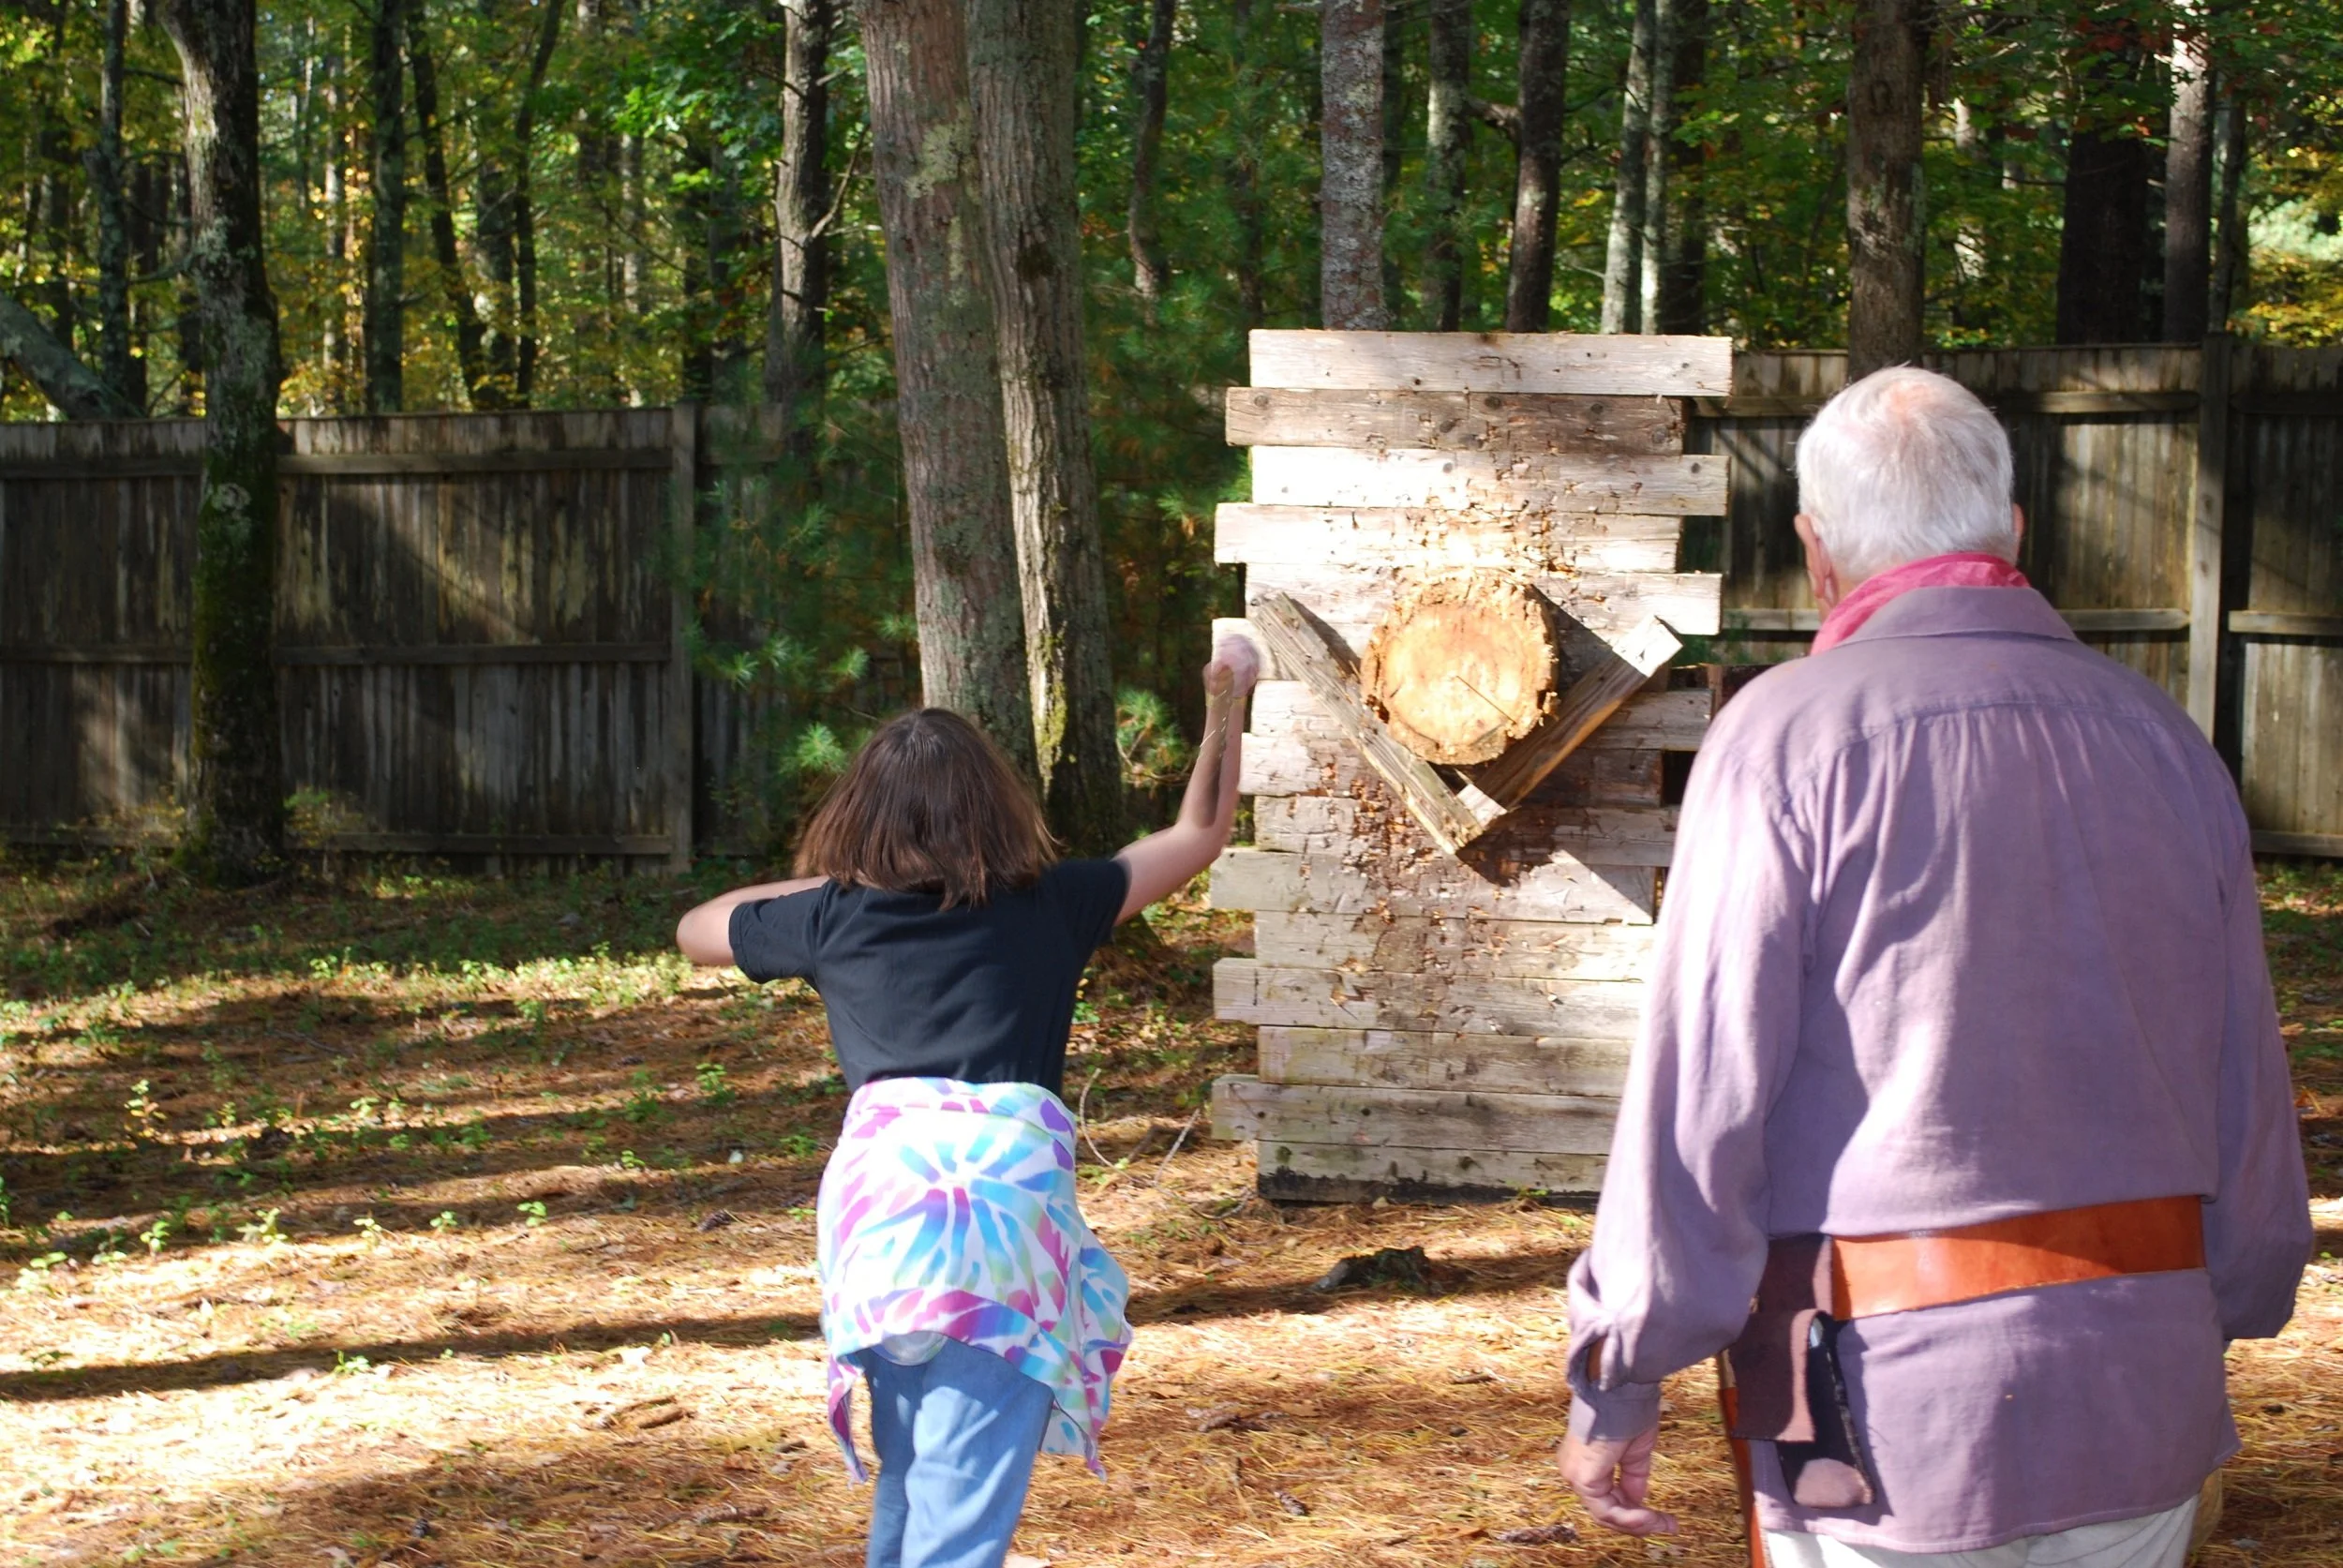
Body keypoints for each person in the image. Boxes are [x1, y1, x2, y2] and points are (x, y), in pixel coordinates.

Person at [1558, 366, 2312, 1567]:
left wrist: (1624, 1360)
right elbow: (2246, 1091)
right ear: (2012, 533)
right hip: (2135, 1393)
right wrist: (2225, 1295)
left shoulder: (1781, 740)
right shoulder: (2166, 740)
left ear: (1815, 552)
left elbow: (1699, 1094)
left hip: (1880, 1425)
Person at [676, 636, 1259, 1568]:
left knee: (916, 1476)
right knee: (957, 1517)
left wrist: (830, 885)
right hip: (998, 1233)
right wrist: (1225, 708)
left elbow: (696, 926)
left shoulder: (832, 917)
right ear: (998, 804)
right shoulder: (1056, 902)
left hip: (881, 1234)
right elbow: (1197, 836)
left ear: (857, 816)